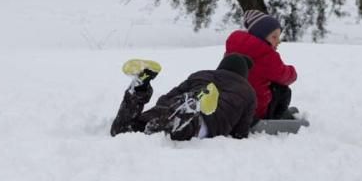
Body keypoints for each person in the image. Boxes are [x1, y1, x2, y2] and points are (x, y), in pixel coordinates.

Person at [110, 55, 257, 140]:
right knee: (161, 133)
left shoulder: (201, 74)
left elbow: (170, 95)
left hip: (165, 109)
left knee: (121, 132)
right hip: (202, 124)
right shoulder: (248, 92)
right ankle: (191, 106)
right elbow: (240, 133)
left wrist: (161, 108)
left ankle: (139, 88)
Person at [225, 9, 298, 120]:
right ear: (261, 36)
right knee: (282, 89)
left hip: (231, 105)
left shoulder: (233, 48)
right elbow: (284, 76)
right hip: (255, 110)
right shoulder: (266, 55)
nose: (278, 41)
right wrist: (293, 72)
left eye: (279, 37)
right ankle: (278, 116)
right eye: (274, 37)